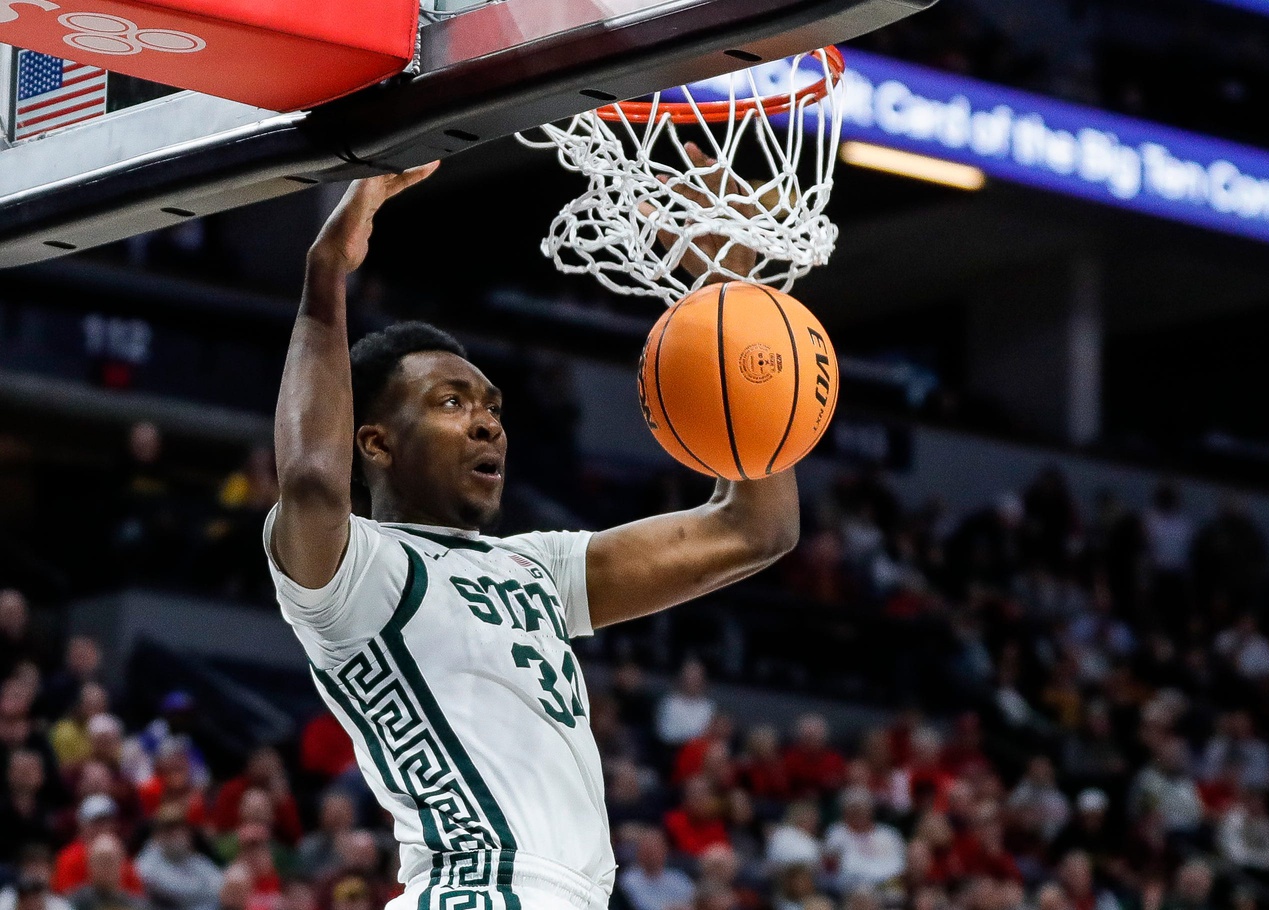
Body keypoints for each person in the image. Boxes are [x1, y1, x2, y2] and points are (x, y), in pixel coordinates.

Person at [262, 165, 796, 910]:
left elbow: (754, 528)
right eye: (451, 402)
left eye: (492, 406)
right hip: (479, 889)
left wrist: (727, 287)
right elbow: (314, 482)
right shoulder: (359, 573)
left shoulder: (535, 566)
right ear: (375, 444)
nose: (487, 422)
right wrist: (325, 276)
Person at [136, 804, 223, 910]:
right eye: (169, 829)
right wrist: (204, 890)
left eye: (180, 828)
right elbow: (174, 890)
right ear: (157, 833)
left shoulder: (191, 856)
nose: (176, 834)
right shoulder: (147, 861)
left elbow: (219, 883)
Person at [616, 829, 694, 910]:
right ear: (639, 852)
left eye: (655, 849)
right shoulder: (627, 881)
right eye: (647, 849)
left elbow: (691, 904)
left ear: (665, 851)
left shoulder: (679, 880)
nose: (651, 854)